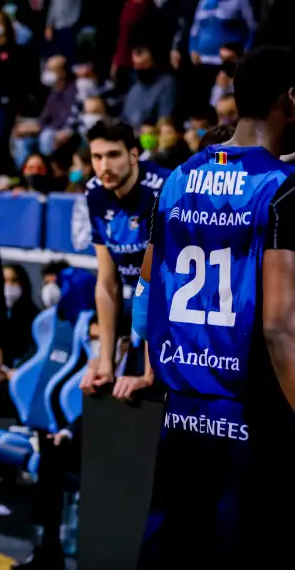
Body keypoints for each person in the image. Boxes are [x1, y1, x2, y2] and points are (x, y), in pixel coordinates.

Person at [133, 45, 295, 568]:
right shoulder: (282, 189)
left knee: (173, 545)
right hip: (251, 411)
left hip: (182, 408)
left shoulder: (176, 178)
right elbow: (278, 328)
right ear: (290, 101)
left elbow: (149, 277)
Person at [81, 119, 171, 401]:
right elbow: (107, 284)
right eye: (97, 157)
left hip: (174, 302)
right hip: (141, 299)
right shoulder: (94, 192)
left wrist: (149, 373)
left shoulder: (163, 189)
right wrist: (106, 363)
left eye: (113, 155)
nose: (104, 166)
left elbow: (164, 283)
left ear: (133, 154)